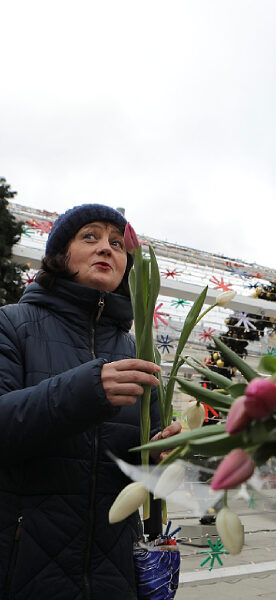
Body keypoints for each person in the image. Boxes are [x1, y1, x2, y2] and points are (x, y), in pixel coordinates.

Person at [0, 204, 181, 599]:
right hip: (22, 569)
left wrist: (163, 453)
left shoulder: (138, 350)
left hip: (114, 574)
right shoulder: (11, 325)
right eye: (90, 236)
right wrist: (86, 390)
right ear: (60, 256)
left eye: (117, 243)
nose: (107, 248)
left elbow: (136, 465)